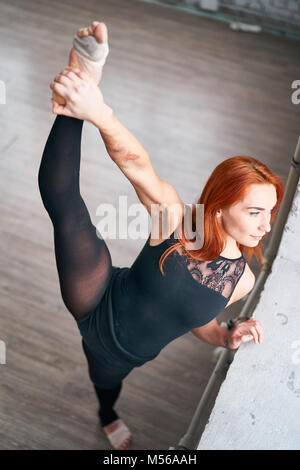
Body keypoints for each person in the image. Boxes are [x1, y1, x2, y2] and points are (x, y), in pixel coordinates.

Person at [38, 21, 284, 450]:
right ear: (222, 205)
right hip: (97, 296)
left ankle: (106, 414)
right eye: (256, 211)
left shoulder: (241, 281)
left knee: (106, 386)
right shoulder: (179, 220)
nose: (266, 224)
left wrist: (226, 337)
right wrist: (97, 111)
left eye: (271, 213)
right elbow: (135, 162)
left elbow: (199, 321)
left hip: (122, 356)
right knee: (66, 209)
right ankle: (80, 80)